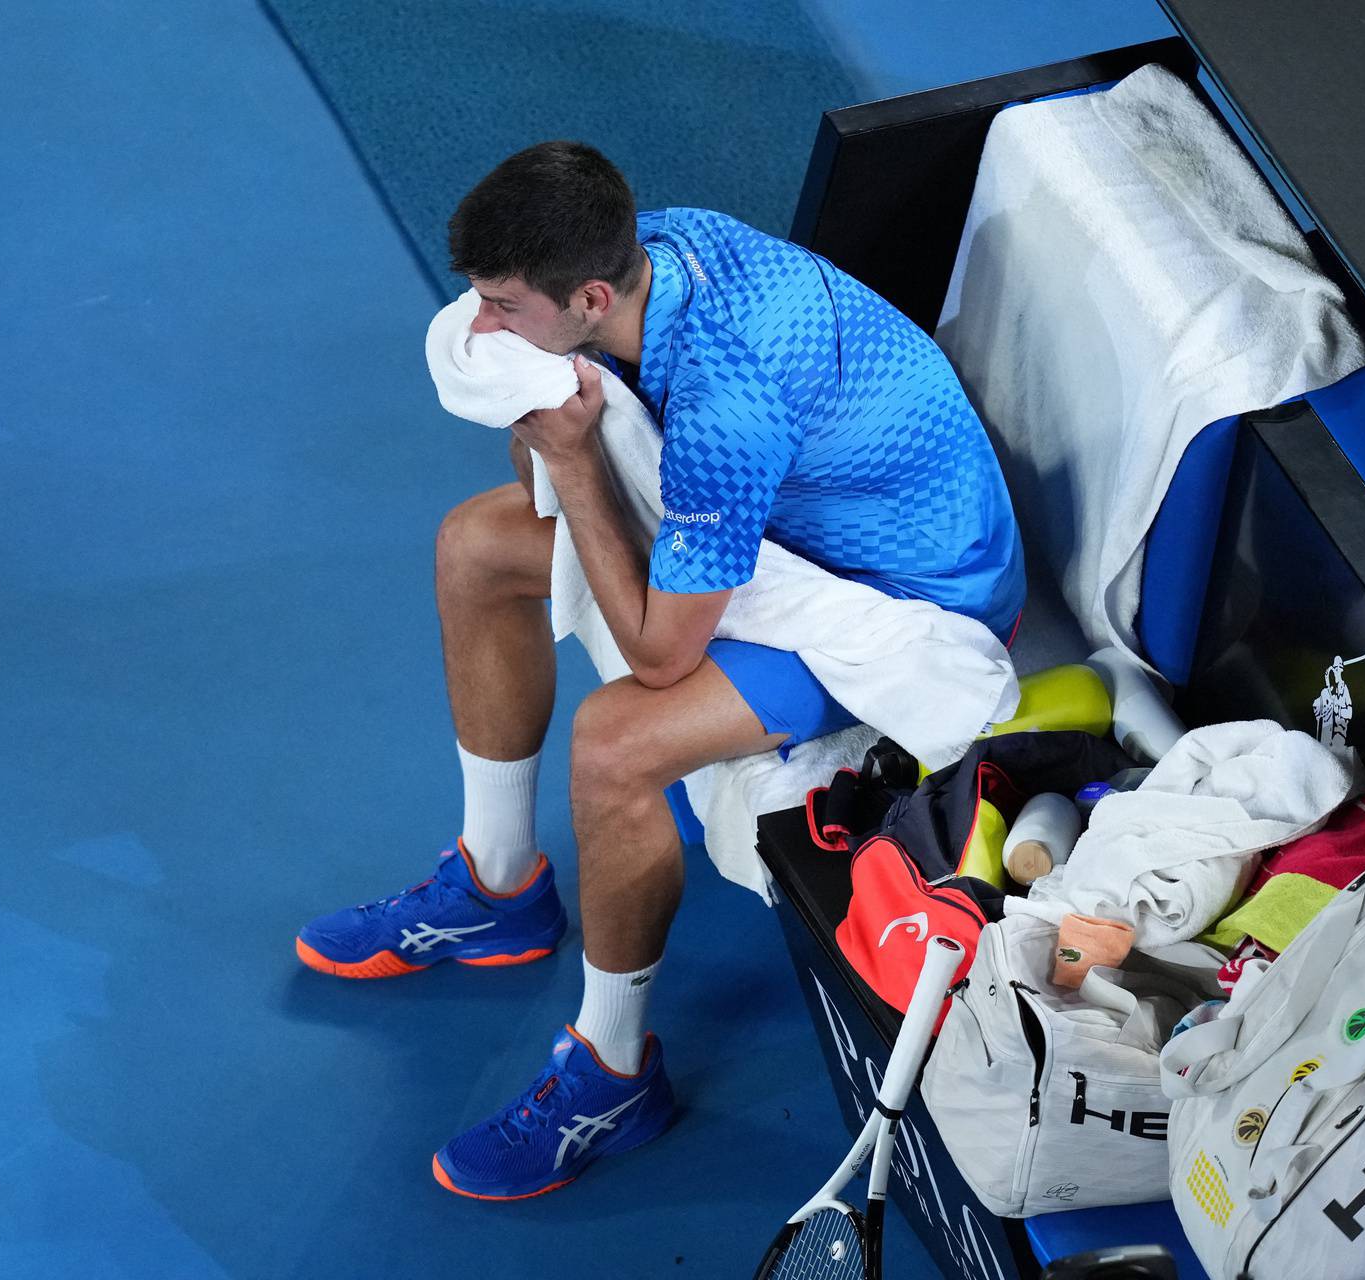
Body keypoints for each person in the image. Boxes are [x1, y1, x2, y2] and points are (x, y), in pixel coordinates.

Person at [295, 140, 1026, 1200]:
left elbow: (658, 649)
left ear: (588, 294)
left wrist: (580, 454)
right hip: (799, 529)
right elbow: (530, 482)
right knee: (474, 547)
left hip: (903, 608)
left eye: (502, 306)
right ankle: (499, 886)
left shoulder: (725, 404)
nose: (482, 325)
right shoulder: (651, 253)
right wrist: (537, 418)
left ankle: (614, 1073)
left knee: (616, 742)